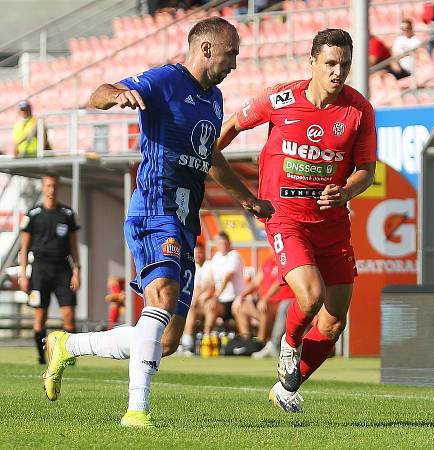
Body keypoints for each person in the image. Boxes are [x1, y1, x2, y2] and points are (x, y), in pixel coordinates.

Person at [40, 17, 273, 428]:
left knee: (165, 340)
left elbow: (210, 156)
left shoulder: (214, 98)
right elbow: (97, 95)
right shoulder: (166, 79)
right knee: (161, 298)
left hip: (185, 220)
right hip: (154, 207)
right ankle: (136, 411)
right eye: (230, 53)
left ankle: (68, 344)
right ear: (206, 49)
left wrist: (247, 199)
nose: (234, 62)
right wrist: (118, 95)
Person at [216, 28, 376, 413]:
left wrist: (347, 191)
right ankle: (288, 344)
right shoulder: (280, 97)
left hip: (332, 221)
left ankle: (286, 388)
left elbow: (366, 170)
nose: (338, 72)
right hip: (285, 215)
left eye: (345, 64)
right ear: (313, 63)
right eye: (331, 63)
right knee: (311, 295)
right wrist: (203, 156)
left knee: (335, 320)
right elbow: (235, 124)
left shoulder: (358, 111)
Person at [18, 173, 81, 364]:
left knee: (69, 315)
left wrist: (77, 271)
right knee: (40, 316)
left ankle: (69, 357)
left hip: (63, 269)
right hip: (39, 269)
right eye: (48, 186)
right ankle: (41, 358)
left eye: (54, 186)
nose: (51, 190)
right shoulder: (33, 214)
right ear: (43, 188)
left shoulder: (67, 214)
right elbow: (24, 248)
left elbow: (73, 247)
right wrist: (23, 275)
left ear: (58, 187)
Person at [202, 231, 244, 352]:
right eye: (220, 243)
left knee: (213, 304)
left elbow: (227, 277)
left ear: (229, 243)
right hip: (221, 300)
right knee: (206, 306)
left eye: (225, 243)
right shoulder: (216, 258)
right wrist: (203, 296)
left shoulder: (234, 255)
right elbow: (211, 281)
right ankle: (205, 338)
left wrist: (215, 296)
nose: (223, 246)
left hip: (235, 299)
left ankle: (247, 342)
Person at [178, 241, 213, 354]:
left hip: (206, 302)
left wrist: (195, 299)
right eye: (196, 253)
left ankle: (202, 343)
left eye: (200, 252)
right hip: (194, 304)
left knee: (198, 307)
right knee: (189, 311)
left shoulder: (208, 265)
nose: (198, 255)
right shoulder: (190, 266)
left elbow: (208, 284)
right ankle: (186, 345)